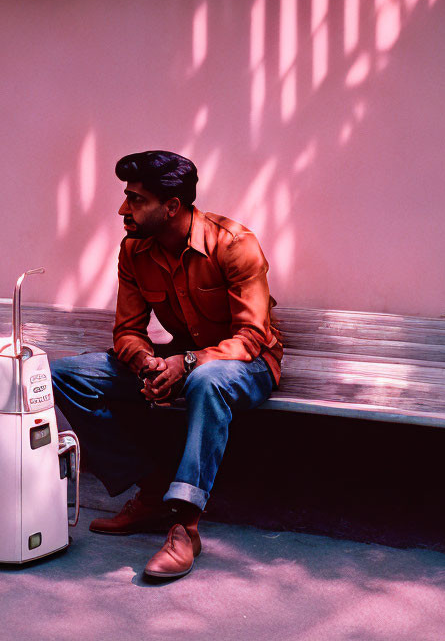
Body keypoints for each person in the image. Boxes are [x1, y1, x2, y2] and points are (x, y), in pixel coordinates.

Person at [51, 150, 282, 579]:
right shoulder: (134, 251)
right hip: (180, 359)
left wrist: (186, 363)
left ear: (171, 206)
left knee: (208, 380)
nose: (124, 209)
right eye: (127, 197)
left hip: (244, 365)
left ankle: (185, 523)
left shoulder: (234, 245)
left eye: (136, 199)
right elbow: (127, 333)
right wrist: (147, 366)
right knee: (65, 375)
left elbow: (251, 339)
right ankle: (153, 490)